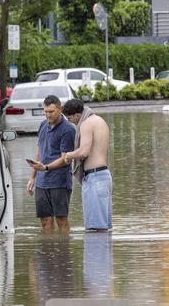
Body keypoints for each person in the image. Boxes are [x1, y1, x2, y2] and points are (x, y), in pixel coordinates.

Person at [26, 95, 76, 234]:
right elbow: (40, 151)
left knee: (61, 219)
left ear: (60, 109)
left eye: (51, 112)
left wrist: (46, 167)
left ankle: (64, 252)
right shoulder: (43, 125)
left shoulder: (68, 129)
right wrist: (32, 178)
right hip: (42, 182)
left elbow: (65, 158)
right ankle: (49, 252)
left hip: (59, 182)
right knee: (45, 220)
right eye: (45, 111)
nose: (48, 115)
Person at [61, 99, 112, 232]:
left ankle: (95, 253)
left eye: (70, 118)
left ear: (77, 115)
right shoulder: (100, 121)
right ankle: (103, 253)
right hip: (103, 176)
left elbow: (83, 152)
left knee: (94, 228)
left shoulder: (86, 124)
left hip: (94, 177)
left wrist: (68, 156)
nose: (70, 121)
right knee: (102, 226)